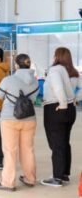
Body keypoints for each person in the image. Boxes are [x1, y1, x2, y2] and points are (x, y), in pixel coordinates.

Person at [0, 54, 39, 191]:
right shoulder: (35, 82)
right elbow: (34, 98)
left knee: (10, 151)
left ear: (17, 65)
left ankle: (8, 182)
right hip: (30, 119)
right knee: (28, 150)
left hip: (9, 119)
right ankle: (30, 179)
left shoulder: (8, 80)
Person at [41, 47, 82, 187]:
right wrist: (75, 99)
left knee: (56, 144)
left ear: (57, 57)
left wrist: (63, 103)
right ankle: (64, 174)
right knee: (64, 142)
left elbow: (58, 87)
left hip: (56, 108)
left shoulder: (55, 70)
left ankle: (57, 177)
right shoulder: (71, 72)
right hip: (70, 109)